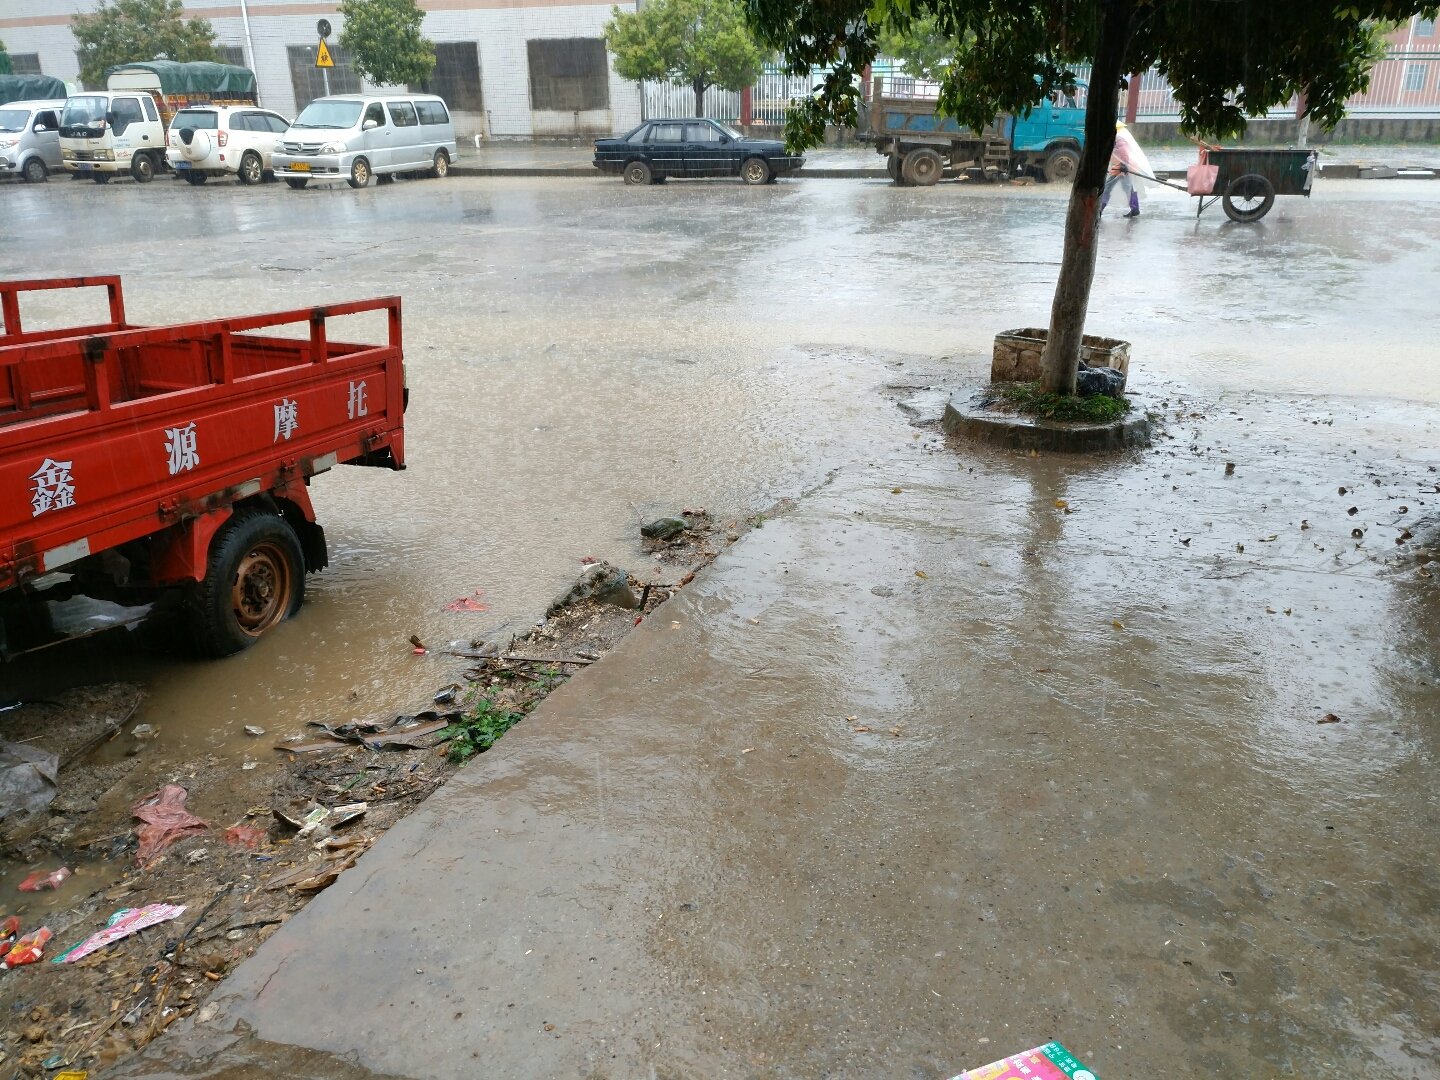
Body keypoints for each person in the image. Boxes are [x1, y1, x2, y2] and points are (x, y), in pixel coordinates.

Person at [1101, 121, 1151, 218]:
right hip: (1118, 168)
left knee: (1109, 188)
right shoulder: (1113, 139)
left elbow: (1124, 154)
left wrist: (1124, 165)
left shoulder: (1118, 140)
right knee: (1127, 188)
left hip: (1122, 168)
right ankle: (1134, 209)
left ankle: (1100, 210)